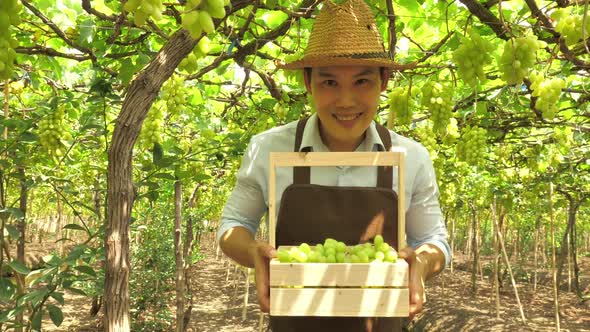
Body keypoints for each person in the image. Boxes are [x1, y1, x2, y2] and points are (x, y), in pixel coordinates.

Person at [217, 0, 451, 331]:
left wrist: (422, 264)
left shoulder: (411, 157)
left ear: (384, 82)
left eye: (362, 82)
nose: (345, 101)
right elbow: (234, 223)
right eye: (329, 83)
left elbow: (433, 238)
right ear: (307, 83)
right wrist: (253, 252)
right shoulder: (268, 148)